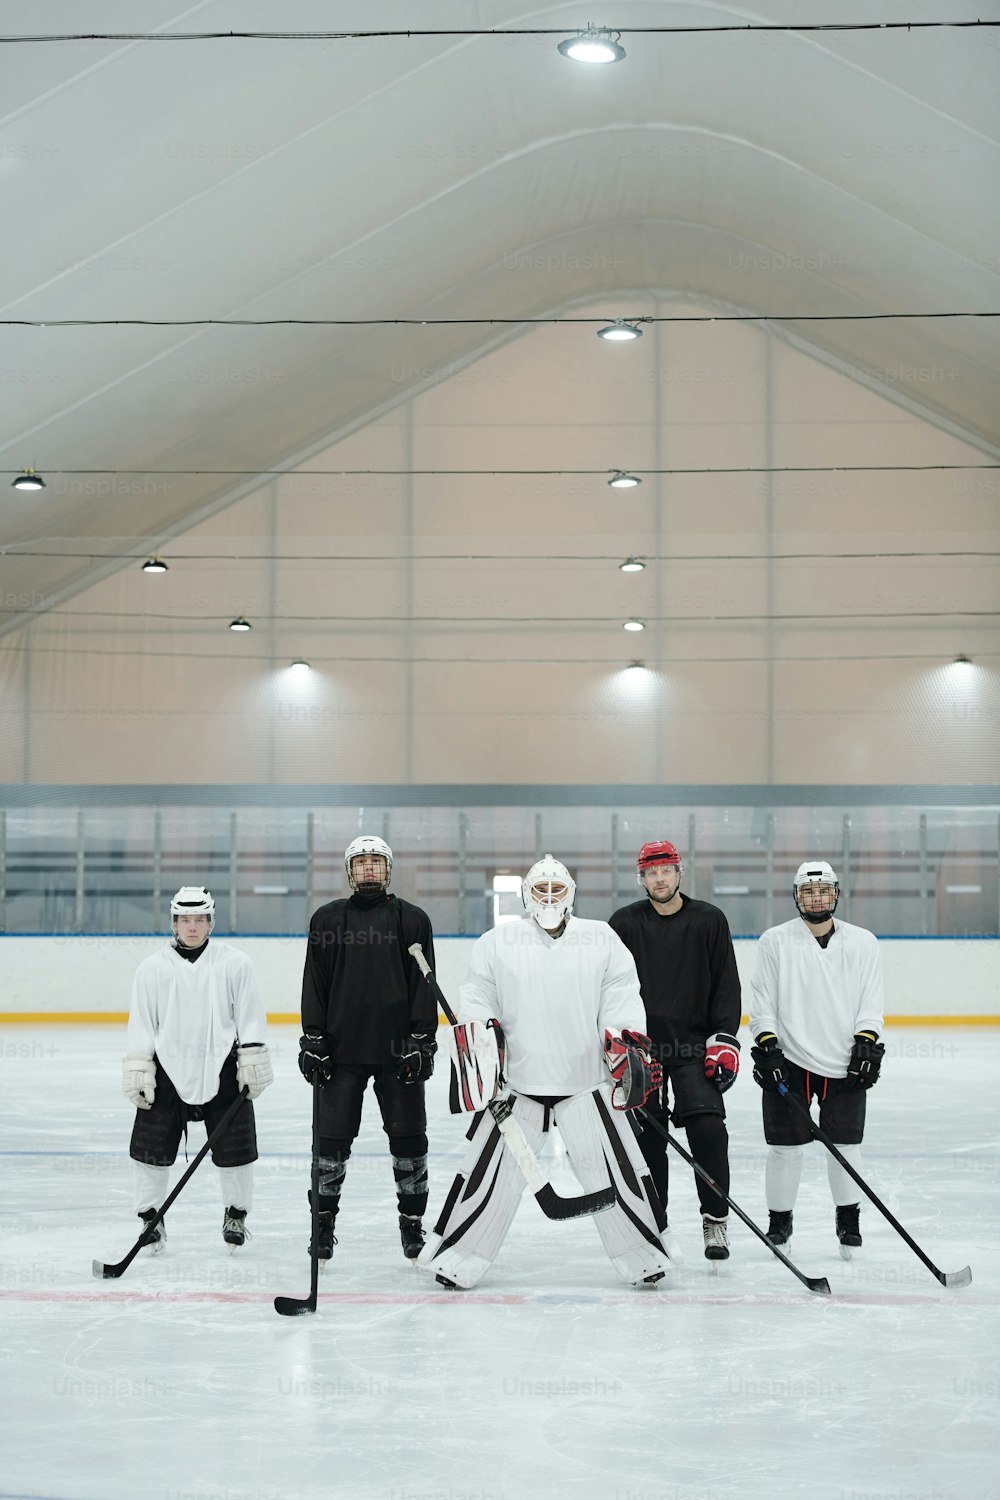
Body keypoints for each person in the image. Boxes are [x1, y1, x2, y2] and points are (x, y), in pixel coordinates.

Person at [418, 855, 673, 1291]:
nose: (550, 898)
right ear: (526, 896)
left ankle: (644, 1256)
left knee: (616, 1169)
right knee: (488, 1175)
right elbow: (478, 997)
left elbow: (622, 995)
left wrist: (623, 1043)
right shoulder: (498, 942)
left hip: (587, 1082)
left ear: (571, 895)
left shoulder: (601, 939)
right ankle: (457, 1258)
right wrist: (484, 1051)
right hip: (518, 1085)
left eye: (558, 890)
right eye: (542, 890)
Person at [297, 836, 437, 1263]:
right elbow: (314, 980)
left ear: (388, 869)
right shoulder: (326, 919)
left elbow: (424, 984)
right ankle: (323, 1225)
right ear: (350, 871)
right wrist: (314, 1038)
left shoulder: (412, 920)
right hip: (340, 1054)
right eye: (362, 863)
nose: (369, 869)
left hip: (399, 1055)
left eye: (376, 862)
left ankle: (412, 1225)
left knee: (409, 1140)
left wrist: (421, 1040)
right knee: (331, 1143)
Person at [609, 840, 743, 1262]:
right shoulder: (624, 924)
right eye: (651, 873)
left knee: (708, 1130)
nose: (660, 878)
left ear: (679, 872)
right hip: (641, 1050)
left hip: (693, 1047)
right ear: (641, 878)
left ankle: (715, 1220)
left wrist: (723, 1040)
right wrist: (613, 1040)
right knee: (648, 1138)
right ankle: (654, 1222)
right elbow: (608, 987)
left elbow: (726, 985)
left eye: (666, 870)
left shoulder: (709, 920)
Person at [123, 886, 272, 1251]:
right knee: (151, 1150)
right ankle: (151, 1219)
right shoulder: (152, 969)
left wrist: (251, 1059)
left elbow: (250, 1016)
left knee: (236, 1149)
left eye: (200, 920)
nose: (192, 927)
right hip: (168, 1070)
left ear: (211, 922)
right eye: (185, 920)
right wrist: (140, 1067)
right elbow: (141, 1023)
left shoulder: (235, 963)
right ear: (174, 923)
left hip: (222, 1067)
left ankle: (235, 1214)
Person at [749, 860, 885, 1257]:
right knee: (784, 1148)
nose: (816, 897)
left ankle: (848, 1222)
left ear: (836, 894)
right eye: (808, 892)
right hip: (788, 1061)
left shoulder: (863, 943)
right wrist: (768, 1046)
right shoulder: (774, 941)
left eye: (824, 890)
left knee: (845, 1146)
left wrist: (866, 1042)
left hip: (844, 1063)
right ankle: (780, 1224)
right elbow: (762, 1004)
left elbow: (871, 1004)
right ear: (796, 896)